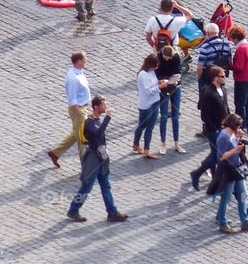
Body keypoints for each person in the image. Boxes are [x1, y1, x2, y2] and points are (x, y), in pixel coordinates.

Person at [67, 95, 128, 223]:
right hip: (93, 158)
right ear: (96, 107)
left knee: (106, 184)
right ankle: (73, 210)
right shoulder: (90, 122)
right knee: (87, 185)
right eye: (103, 105)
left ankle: (112, 212)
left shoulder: (97, 120)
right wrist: (108, 118)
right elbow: (98, 134)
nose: (105, 106)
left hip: (101, 157)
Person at [211, 113, 248, 234]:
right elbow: (221, 157)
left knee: (243, 195)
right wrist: (235, 150)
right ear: (233, 125)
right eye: (238, 126)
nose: (239, 128)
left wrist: (238, 138)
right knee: (225, 198)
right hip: (227, 170)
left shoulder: (232, 134)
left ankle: (245, 221)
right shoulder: (223, 137)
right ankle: (222, 222)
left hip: (237, 168)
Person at [46, 51, 91, 168]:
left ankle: (55, 153)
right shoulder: (73, 78)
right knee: (83, 138)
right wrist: (80, 114)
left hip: (83, 107)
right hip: (78, 110)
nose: (86, 60)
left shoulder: (77, 72)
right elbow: (72, 99)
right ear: (79, 61)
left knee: (76, 134)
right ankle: (85, 165)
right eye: (85, 58)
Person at [189, 66, 229, 191]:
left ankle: (213, 177)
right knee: (217, 155)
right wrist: (215, 128)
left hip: (224, 128)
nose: (224, 78)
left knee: (216, 154)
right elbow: (204, 115)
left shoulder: (223, 89)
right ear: (215, 78)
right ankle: (198, 172)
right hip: (214, 129)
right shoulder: (208, 92)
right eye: (222, 76)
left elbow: (226, 107)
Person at [134, 53, 166, 159]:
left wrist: (159, 82)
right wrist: (160, 87)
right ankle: (136, 144)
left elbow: (153, 84)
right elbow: (148, 91)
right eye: (155, 65)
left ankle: (146, 149)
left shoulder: (151, 72)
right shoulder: (143, 75)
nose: (157, 68)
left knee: (150, 127)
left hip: (155, 102)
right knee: (142, 126)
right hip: (146, 105)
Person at [155, 45, 185, 155]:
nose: (167, 59)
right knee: (163, 116)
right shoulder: (158, 57)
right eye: (165, 57)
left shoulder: (176, 57)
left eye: (169, 57)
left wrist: (168, 79)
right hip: (164, 87)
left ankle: (177, 143)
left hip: (175, 87)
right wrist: (165, 80)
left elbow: (177, 72)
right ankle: (163, 143)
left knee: (175, 116)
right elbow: (157, 74)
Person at [228, 25, 248, 133]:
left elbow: (239, 67)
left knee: (239, 104)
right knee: (247, 102)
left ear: (235, 38)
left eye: (232, 39)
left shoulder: (241, 49)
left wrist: (229, 64)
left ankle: (241, 126)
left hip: (242, 79)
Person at [195, 23, 232, 97]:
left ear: (207, 33)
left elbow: (200, 67)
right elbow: (230, 60)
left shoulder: (205, 47)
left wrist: (199, 78)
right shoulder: (226, 44)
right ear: (218, 32)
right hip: (221, 76)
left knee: (206, 99)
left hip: (208, 77)